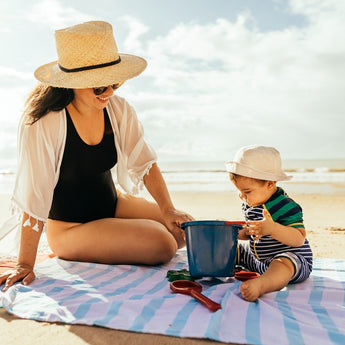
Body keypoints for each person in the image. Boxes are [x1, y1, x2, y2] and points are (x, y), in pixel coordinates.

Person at [0, 21, 193, 292]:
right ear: (73, 84)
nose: (110, 92)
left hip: (113, 204)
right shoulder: (46, 123)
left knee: (184, 232)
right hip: (70, 229)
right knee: (162, 244)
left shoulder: (118, 110)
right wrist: (25, 264)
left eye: (114, 83)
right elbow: (35, 195)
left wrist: (168, 208)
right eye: (100, 88)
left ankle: (124, 228)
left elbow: (145, 163)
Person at [226, 145, 313, 302]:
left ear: (270, 184)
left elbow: (298, 238)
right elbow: (252, 232)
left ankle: (262, 285)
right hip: (259, 260)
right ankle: (210, 268)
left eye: (247, 191)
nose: (241, 196)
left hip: (292, 260)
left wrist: (273, 229)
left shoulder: (284, 205)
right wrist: (235, 233)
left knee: (283, 263)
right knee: (231, 249)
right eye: (239, 191)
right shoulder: (252, 203)